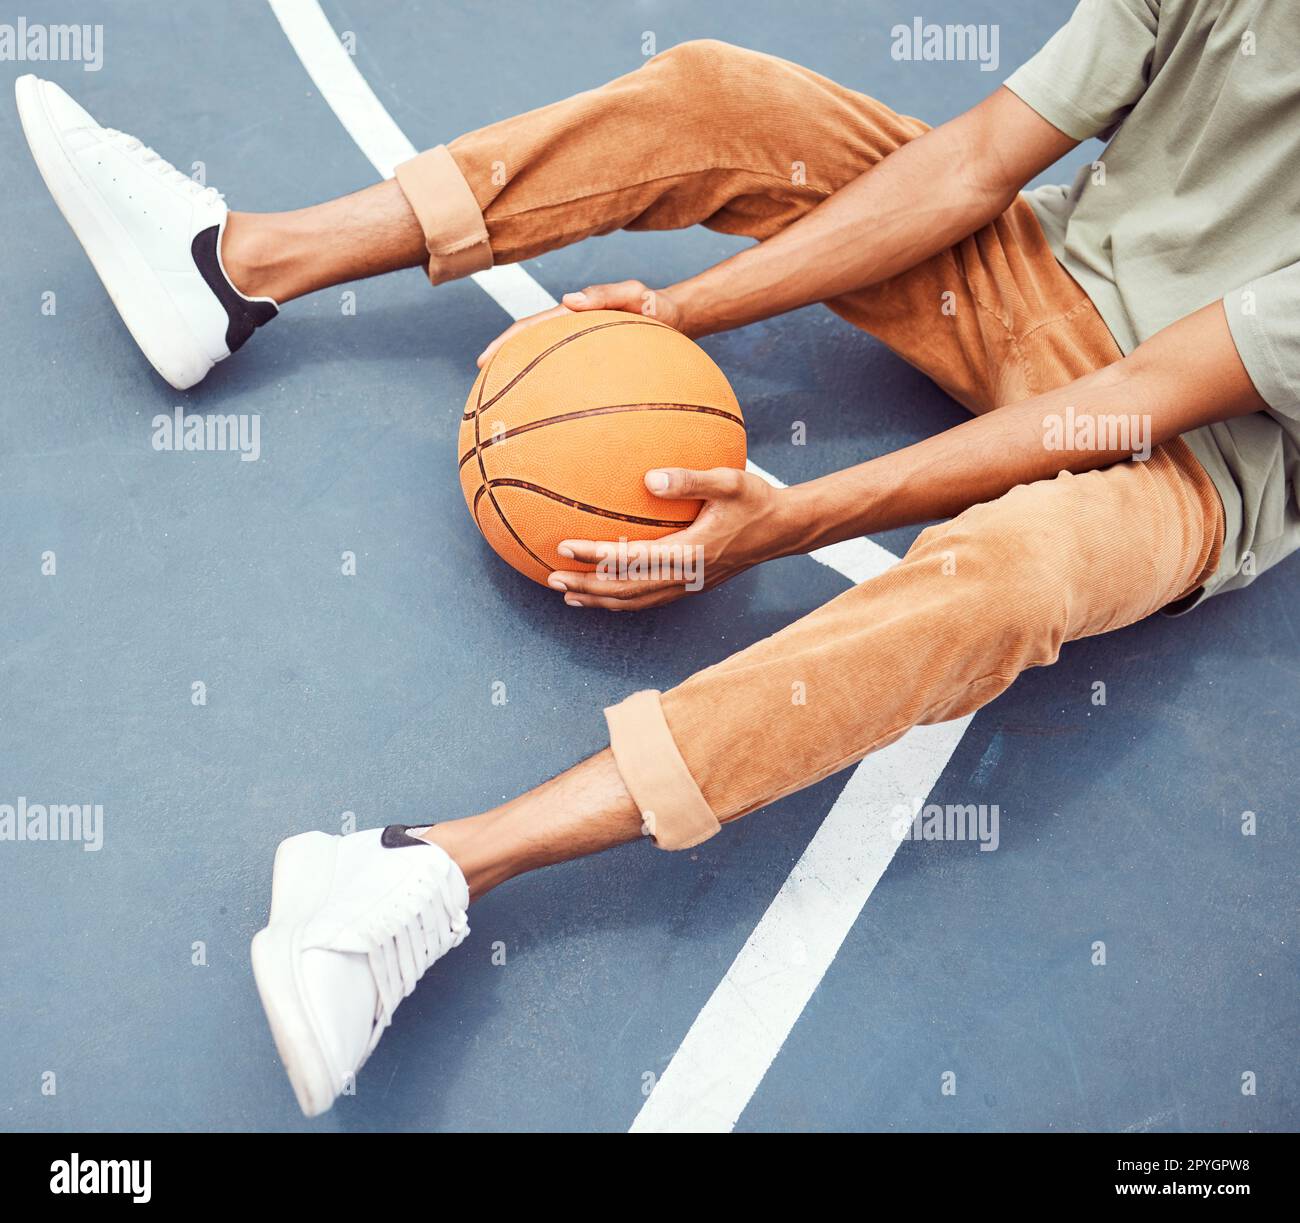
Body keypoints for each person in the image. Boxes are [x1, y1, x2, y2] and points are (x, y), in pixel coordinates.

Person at [16, 0, 1298, 1117]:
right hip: (1044, 276)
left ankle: (426, 866)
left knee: (1012, 582)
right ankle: (234, 266)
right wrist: (681, 311)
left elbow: (1130, 401)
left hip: (1186, 459)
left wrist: (787, 520)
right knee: (719, 96)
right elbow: (972, 167)